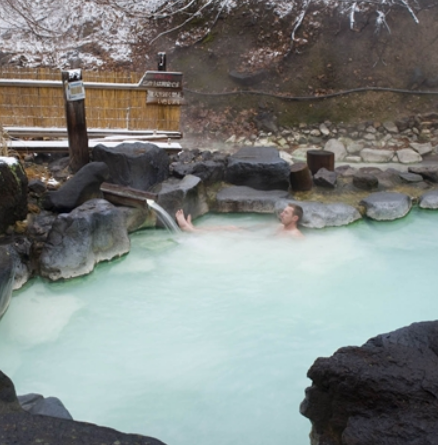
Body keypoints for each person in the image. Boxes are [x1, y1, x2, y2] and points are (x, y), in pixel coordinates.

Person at [175, 203, 304, 238]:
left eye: (285, 213)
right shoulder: (279, 226)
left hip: (259, 248)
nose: (281, 214)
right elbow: (257, 228)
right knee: (231, 228)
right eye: (283, 211)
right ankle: (194, 229)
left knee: (230, 233)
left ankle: (190, 230)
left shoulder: (296, 236)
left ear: (295, 218)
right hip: (258, 241)